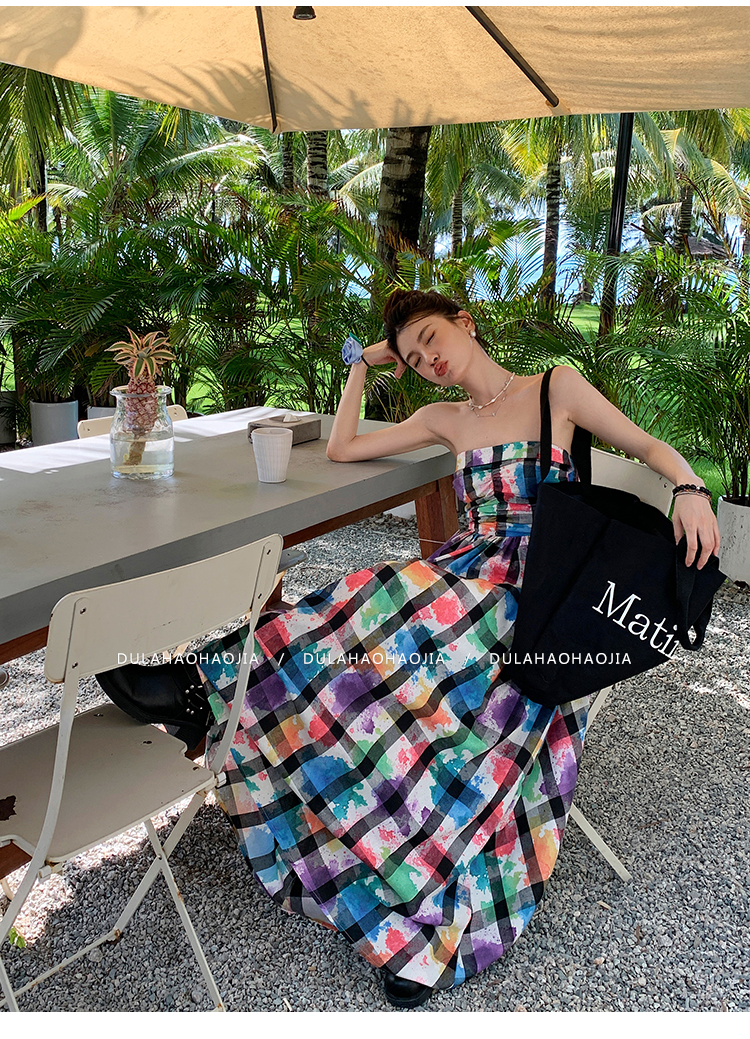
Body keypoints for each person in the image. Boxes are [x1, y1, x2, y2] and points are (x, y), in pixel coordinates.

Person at [97, 289, 720, 1009]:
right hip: (463, 574)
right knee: (366, 614)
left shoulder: (556, 388)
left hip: (538, 594)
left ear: (465, 321)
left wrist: (689, 486)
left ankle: (211, 689)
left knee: (383, 597)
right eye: (416, 358)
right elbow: (342, 447)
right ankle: (214, 683)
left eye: (431, 338)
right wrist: (363, 363)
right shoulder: (443, 418)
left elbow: (647, 446)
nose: (429, 360)